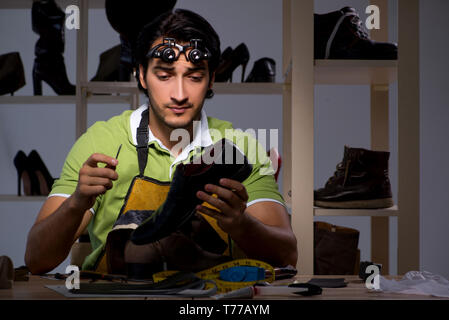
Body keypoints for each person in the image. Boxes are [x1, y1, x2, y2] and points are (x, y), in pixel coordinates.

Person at [25, 9, 298, 275]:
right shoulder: (101, 142)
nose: (179, 94)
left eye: (194, 76)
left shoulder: (240, 149)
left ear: (212, 79)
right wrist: (76, 203)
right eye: (164, 75)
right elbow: (37, 260)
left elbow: (288, 256)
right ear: (142, 75)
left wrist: (241, 224)